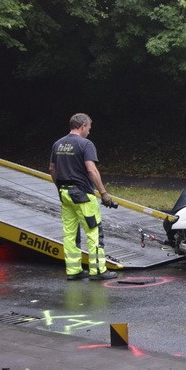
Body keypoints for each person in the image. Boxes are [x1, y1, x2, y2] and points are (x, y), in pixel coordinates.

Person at [48, 113, 117, 281]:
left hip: (65, 194)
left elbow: (51, 169)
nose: (89, 132)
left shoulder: (58, 144)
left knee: (70, 233)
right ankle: (98, 270)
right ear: (82, 126)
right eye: (89, 128)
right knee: (93, 231)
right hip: (83, 195)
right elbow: (91, 170)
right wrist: (103, 193)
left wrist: (60, 189)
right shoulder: (85, 144)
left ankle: (74, 270)